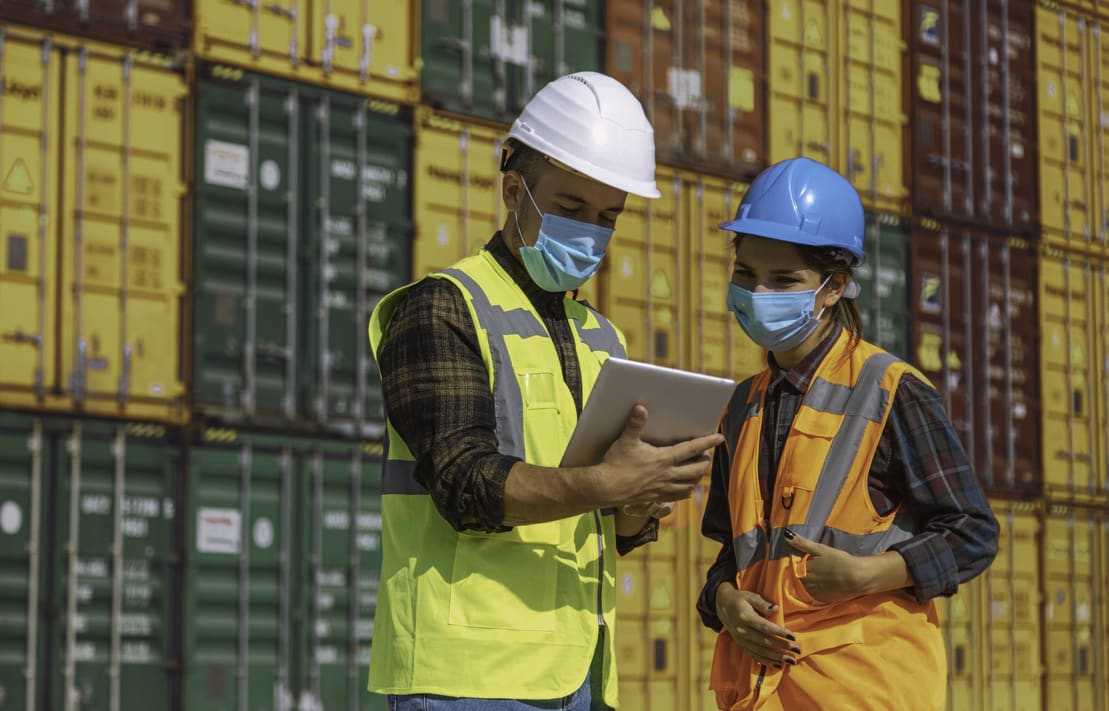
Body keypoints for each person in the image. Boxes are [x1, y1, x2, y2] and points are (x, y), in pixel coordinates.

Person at [366, 71, 723, 710]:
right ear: (513, 188)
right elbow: (463, 484)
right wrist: (610, 483)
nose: (592, 231)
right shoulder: (441, 309)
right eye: (571, 208)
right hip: (464, 683)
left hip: (581, 674)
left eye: (608, 217)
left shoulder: (603, 339)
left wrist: (643, 496)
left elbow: (610, 527)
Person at [697, 157, 1000, 711]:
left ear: (834, 287)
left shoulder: (891, 391)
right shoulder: (742, 406)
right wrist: (723, 601)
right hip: (761, 694)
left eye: (783, 280)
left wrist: (868, 574)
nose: (758, 291)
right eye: (745, 274)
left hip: (866, 692)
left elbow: (973, 533)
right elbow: (731, 554)